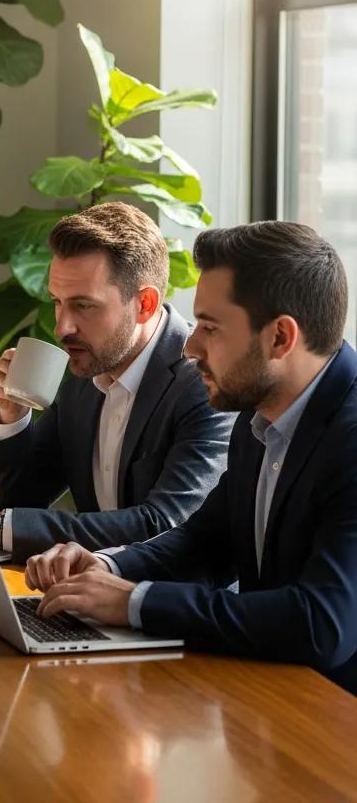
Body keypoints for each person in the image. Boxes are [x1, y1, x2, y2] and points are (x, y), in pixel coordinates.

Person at [27, 222, 357, 693]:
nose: (190, 345)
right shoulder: (258, 416)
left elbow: (321, 623)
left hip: (334, 726)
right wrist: (109, 567)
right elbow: (207, 541)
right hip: (269, 696)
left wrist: (134, 602)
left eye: (210, 327)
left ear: (281, 338)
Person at [0, 203, 233, 562]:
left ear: (144, 304)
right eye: (57, 302)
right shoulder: (88, 373)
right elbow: (22, 506)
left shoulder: (204, 384)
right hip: (86, 596)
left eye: (83, 306)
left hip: (173, 607)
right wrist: (11, 415)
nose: (62, 328)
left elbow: (165, 525)